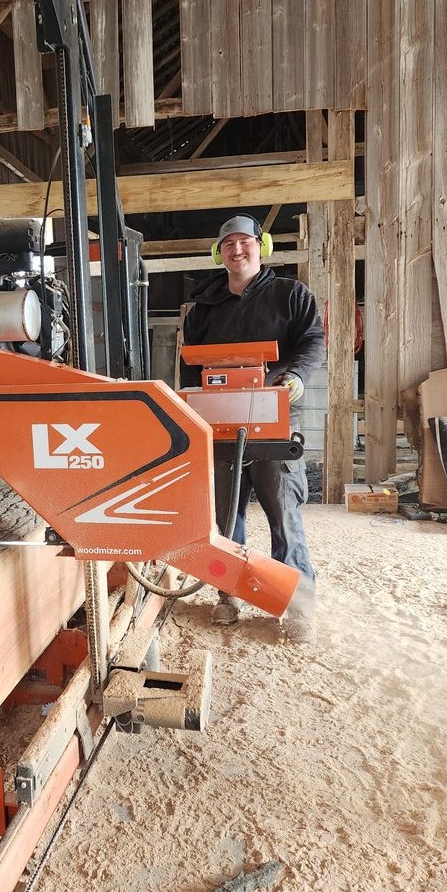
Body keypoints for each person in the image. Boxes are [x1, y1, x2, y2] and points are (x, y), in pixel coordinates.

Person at [180, 213, 326, 643]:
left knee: (284, 514)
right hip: (221, 423)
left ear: (261, 247)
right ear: (218, 252)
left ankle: (298, 604)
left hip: (275, 419)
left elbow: (313, 340)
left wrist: (296, 376)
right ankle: (229, 594)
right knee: (227, 516)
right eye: (228, 245)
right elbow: (193, 358)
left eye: (245, 242)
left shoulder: (290, 294)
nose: (237, 250)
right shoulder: (205, 305)